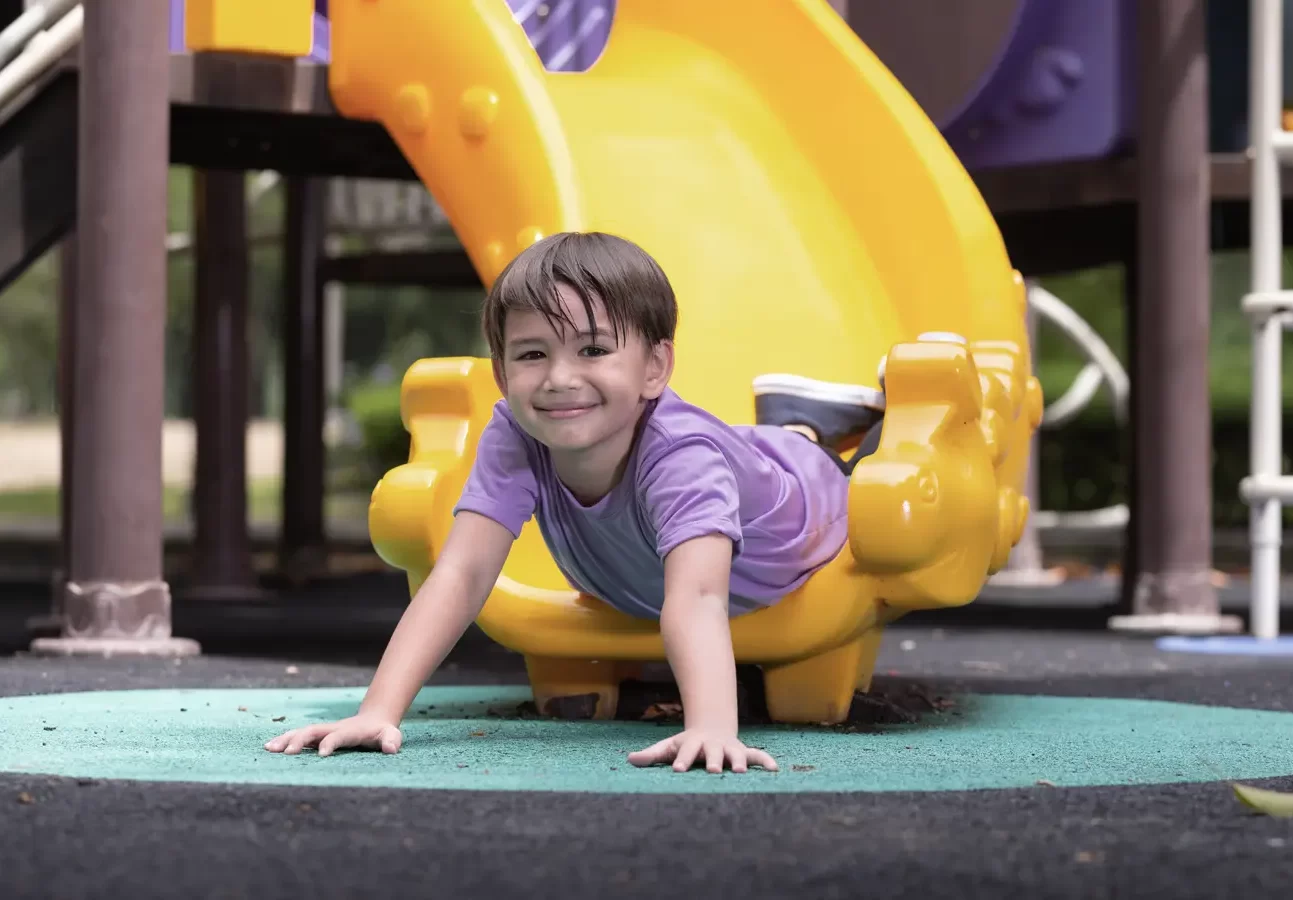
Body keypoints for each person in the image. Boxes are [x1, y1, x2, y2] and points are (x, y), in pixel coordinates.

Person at [264, 232, 888, 775]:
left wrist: (712, 728)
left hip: (807, 507)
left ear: (655, 367)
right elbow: (460, 573)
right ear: (502, 374)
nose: (560, 378)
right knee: (747, 452)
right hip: (701, 502)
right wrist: (377, 712)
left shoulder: (681, 458)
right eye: (533, 354)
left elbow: (698, 596)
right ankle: (798, 419)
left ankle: (809, 429)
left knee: (843, 475)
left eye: (592, 350)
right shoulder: (514, 432)